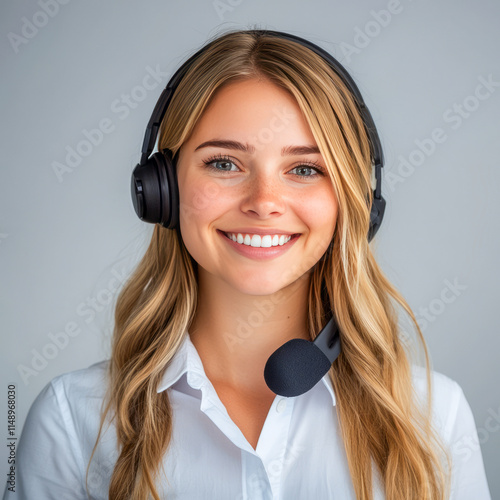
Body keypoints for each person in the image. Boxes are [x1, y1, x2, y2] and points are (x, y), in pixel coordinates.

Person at [4, 28, 492, 500]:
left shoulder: (432, 415)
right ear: (161, 191)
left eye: (304, 169)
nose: (264, 202)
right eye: (224, 163)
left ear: (356, 201)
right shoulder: (73, 420)